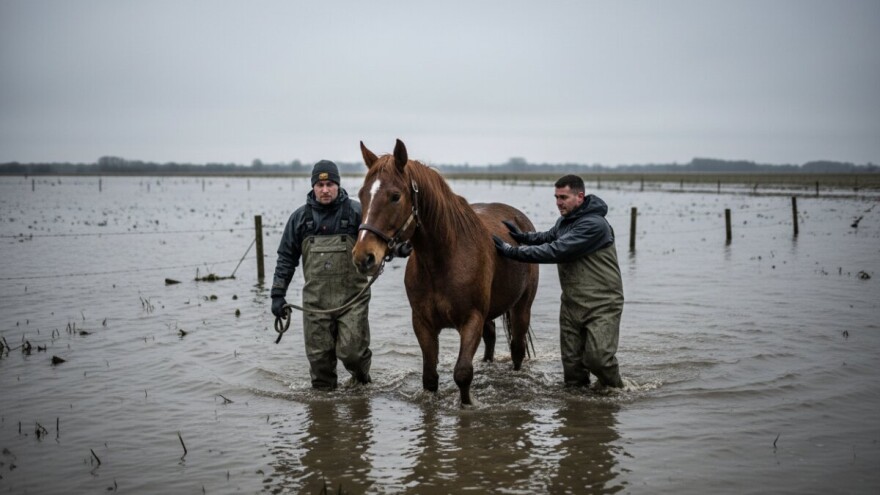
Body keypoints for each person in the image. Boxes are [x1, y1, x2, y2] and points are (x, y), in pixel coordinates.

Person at [493, 174, 625, 389]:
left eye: (563, 197)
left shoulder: (594, 225)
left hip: (602, 304)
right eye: (556, 197)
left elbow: (557, 250)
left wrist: (512, 251)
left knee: (598, 359)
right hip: (572, 303)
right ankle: (578, 412)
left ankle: (616, 392)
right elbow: (549, 237)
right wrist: (523, 237)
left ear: (580, 196)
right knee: (572, 369)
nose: (558, 203)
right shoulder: (567, 221)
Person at [271, 160, 372, 389]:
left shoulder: (358, 213)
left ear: (338, 185)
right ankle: (323, 414)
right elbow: (286, 258)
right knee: (320, 365)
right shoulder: (300, 219)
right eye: (320, 184)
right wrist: (278, 294)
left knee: (353, 354)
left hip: (353, 300)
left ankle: (362, 383)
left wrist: (399, 249)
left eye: (329, 184)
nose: (325, 190)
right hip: (315, 303)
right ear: (313, 187)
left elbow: (378, 243)